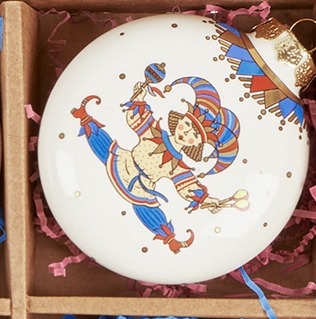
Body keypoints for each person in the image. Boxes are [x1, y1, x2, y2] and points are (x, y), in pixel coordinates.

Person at [71, 72, 242, 253]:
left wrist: (205, 200)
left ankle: (171, 240)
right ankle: (85, 118)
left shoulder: (179, 166)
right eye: (187, 124)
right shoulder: (154, 132)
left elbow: (188, 186)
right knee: (107, 149)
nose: (186, 133)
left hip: (142, 187)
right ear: (180, 119)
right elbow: (137, 119)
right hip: (124, 162)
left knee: (146, 208)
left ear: (198, 144)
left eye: (195, 135)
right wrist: (139, 100)